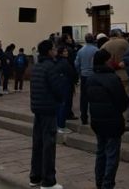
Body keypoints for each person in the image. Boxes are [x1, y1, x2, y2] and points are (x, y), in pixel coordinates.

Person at [86, 49, 129, 189]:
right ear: (106, 61)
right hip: (112, 121)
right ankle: (108, 183)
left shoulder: (91, 78)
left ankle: (99, 181)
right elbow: (122, 101)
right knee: (111, 154)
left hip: (97, 120)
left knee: (101, 151)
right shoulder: (112, 78)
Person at [29, 39, 65, 189]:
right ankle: (48, 180)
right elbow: (58, 89)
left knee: (38, 143)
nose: (56, 50)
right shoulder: (52, 67)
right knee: (49, 144)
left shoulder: (37, 66)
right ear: (49, 51)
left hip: (37, 107)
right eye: (54, 48)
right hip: (49, 108)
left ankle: (35, 176)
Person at [75, 33, 98, 125]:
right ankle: (94, 116)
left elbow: (76, 64)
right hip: (93, 75)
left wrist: (79, 72)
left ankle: (84, 117)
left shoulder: (80, 50)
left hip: (84, 75)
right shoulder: (96, 50)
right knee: (94, 97)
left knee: (84, 97)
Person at [54, 44, 77, 134]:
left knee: (60, 105)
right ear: (60, 53)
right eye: (64, 51)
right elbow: (71, 73)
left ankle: (58, 124)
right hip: (65, 85)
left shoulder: (56, 61)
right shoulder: (64, 62)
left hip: (59, 85)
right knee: (63, 105)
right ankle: (61, 125)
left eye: (66, 51)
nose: (66, 53)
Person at [102, 29, 129, 94]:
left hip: (109, 76)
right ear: (118, 34)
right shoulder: (124, 42)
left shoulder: (104, 45)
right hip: (124, 74)